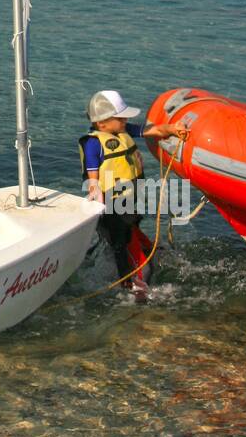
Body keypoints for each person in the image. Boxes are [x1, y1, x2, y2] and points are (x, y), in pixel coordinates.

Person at [80, 89, 188, 300]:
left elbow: (152, 130)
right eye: (121, 118)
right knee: (120, 241)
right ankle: (129, 283)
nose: (126, 121)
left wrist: (172, 129)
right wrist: (94, 193)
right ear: (102, 124)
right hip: (111, 204)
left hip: (128, 200)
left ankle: (143, 252)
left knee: (131, 225)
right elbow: (92, 174)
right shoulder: (93, 143)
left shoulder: (122, 130)